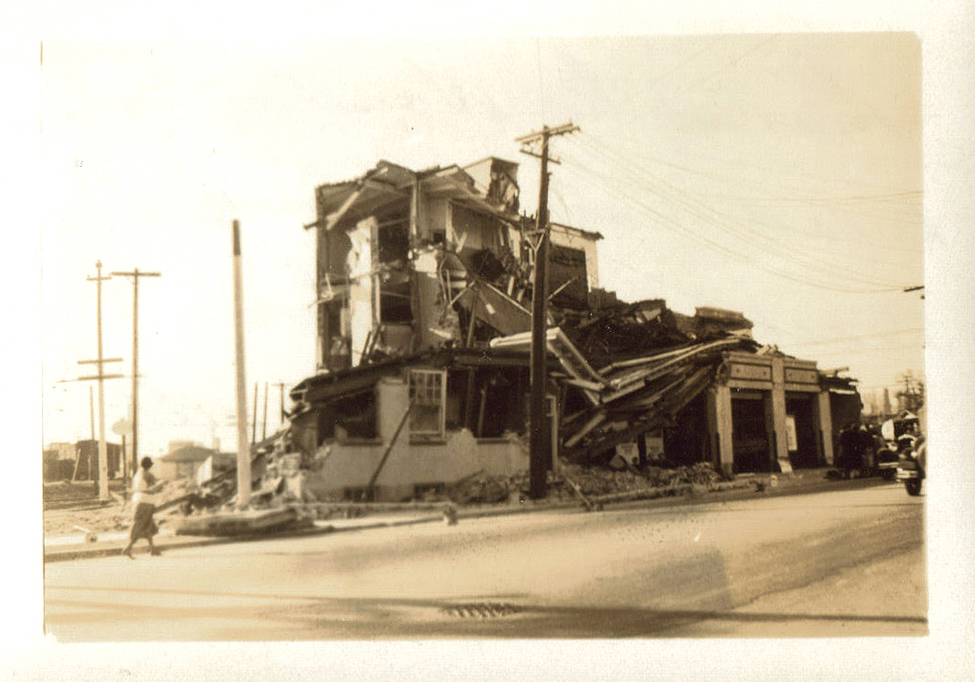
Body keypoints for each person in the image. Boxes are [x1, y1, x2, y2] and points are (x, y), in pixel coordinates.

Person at [122, 457, 162, 559]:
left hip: (137, 501)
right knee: (140, 525)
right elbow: (152, 489)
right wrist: (161, 484)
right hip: (146, 502)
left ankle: (153, 549)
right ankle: (128, 548)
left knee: (148, 525)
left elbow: (138, 488)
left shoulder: (137, 475)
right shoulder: (149, 475)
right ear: (150, 465)